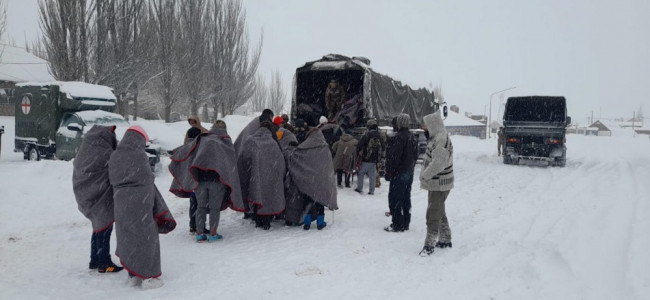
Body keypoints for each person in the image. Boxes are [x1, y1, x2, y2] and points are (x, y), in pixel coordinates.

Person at [108, 125, 176, 289]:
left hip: (121, 202)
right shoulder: (139, 156)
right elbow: (147, 179)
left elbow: (112, 177)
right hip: (140, 203)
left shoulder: (115, 155)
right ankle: (148, 277)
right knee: (146, 239)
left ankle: (133, 275)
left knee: (127, 237)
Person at [169, 120, 244, 242]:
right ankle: (213, 233)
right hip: (217, 181)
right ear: (224, 129)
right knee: (214, 208)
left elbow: (189, 150)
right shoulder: (225, 142)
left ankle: (199, 234)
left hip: (200, 181)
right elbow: (230, 163)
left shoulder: (202, 139)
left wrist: (175, 154)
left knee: (201, 207)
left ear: (213, 128)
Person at [72, 125, 123, 273]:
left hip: (87, 193)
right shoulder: (103, 152)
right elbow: (114, 165)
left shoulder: (88, 148)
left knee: (98, 227)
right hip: (99, 195)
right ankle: (104, 263)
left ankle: (94, 260)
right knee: (104, 227)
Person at [284, 128, 338, 230]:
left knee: (307, 203)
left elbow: (295, 156)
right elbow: (328, 166)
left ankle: (307, 223)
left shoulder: (304, 146)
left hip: (308, 180)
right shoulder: (325, 147)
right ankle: (320, 223)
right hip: (321, 180)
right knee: (320, 203)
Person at [237, 121, 286, 230]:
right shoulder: (273, 143)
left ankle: (257, 218)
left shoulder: (250, 140)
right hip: (270, 177)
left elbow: (242, 159)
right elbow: (280, 162)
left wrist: (249, 171)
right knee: (268, 197)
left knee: (256, 194)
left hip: (255, 177)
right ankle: (266, 220)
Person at [419, 110, 454, 256]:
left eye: (425, 126)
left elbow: (438, 163)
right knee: (439, 211)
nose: (423, 128)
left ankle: (429, 245)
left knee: (433, 213)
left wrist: (425, 175)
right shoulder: (436, 137)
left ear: (432, 124)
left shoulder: (441, 138)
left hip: (439, 183)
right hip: (437, 183)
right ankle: (445, 238)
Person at [384, 114, 418, 232]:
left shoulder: (398, 137)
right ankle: (406, 222)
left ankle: (397, 224)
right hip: (409, 172)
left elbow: (394, 158)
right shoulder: (412, 137)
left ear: (399, 124)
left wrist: (388, 172)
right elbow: (416, 155)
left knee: (395, 198)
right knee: (406, 197)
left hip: (399, 173)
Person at [185, 119, 208, 234]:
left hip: (190, 180)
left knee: (193, 203)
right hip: (199, 180)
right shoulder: (199, 147)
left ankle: (192, 225)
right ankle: (200, 226)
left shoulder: (187, 146)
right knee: (200, 205)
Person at [355, 119, 384, 195]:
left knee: (361, 173)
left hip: (366, 158)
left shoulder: (367, 135)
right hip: (375, 160)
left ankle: (359, 188)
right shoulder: (379, 136)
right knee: (372, 175)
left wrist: (359, 153)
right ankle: (371, 191)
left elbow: (359, 145)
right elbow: (383, 147)